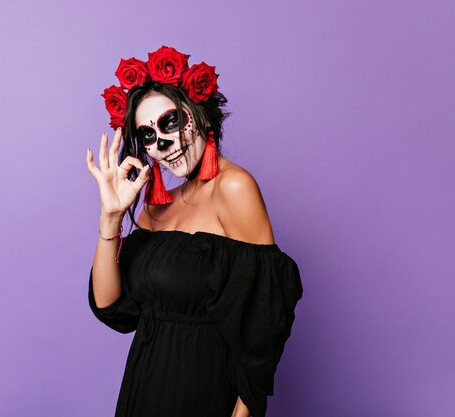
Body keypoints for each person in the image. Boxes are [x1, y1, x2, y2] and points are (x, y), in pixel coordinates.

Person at [85, 46, 303, 417]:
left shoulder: (234, 188)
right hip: (142, 392)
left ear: (199, 115)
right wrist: (111, 219)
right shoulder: (157, 206)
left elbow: (263, 332)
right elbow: (111, 308)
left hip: (204, 396)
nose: (162, 145)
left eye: (170, 122)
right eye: (148, 135)